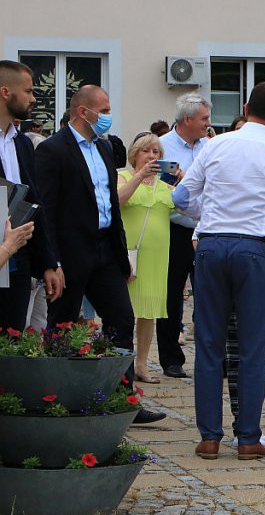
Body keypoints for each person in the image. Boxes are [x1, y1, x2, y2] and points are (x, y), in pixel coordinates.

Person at [174, 81, 265, 461]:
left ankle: (208, 437)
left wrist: (210, 212)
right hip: (254, 248)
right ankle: (248, 437)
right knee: (251, 347)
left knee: (209, 344)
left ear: (245, 108)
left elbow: (180, 197)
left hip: (211, 245)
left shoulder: (215, 144)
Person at [36, 84, 164, 424]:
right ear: (83, 112)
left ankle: (120, 399)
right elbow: (46, 209)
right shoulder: (53, 150)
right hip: (71, 251)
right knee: (62, 325)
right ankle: (56, 398)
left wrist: (121, 256)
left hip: (106, 248)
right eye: (103, 110)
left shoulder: (105, 148)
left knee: (121, 319)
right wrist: (52, 261)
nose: (108, 116)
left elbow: (110, 202)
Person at [0, 60, 61, 331]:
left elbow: (36, 204)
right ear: (5, 93)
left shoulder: (23, 143)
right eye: (28, 91)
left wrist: (48, 263)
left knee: (13, 340)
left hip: (18, 260)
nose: (34, 98)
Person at [157, 92, 211, 380]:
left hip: (205, 230)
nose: (208, 123)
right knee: (171, 294)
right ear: (187, 119)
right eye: (204, 118)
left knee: (208, 294)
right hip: (174, 229)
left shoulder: (211, 146)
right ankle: (170, 358)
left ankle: (210, 357)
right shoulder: (161, 146)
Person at [117, 133, 175, 383]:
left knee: (149, 310)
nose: (152, 156)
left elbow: (193, 206)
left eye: (156, 152)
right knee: (123, 309)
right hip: (128, 253)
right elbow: (117, 200)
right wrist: (140, 176)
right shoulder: (123, 176)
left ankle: (141, 363)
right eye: (146, 151)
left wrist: (183, 179)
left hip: (156, 256)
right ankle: (122, 362)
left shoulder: (165, 185)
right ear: (135, 154)